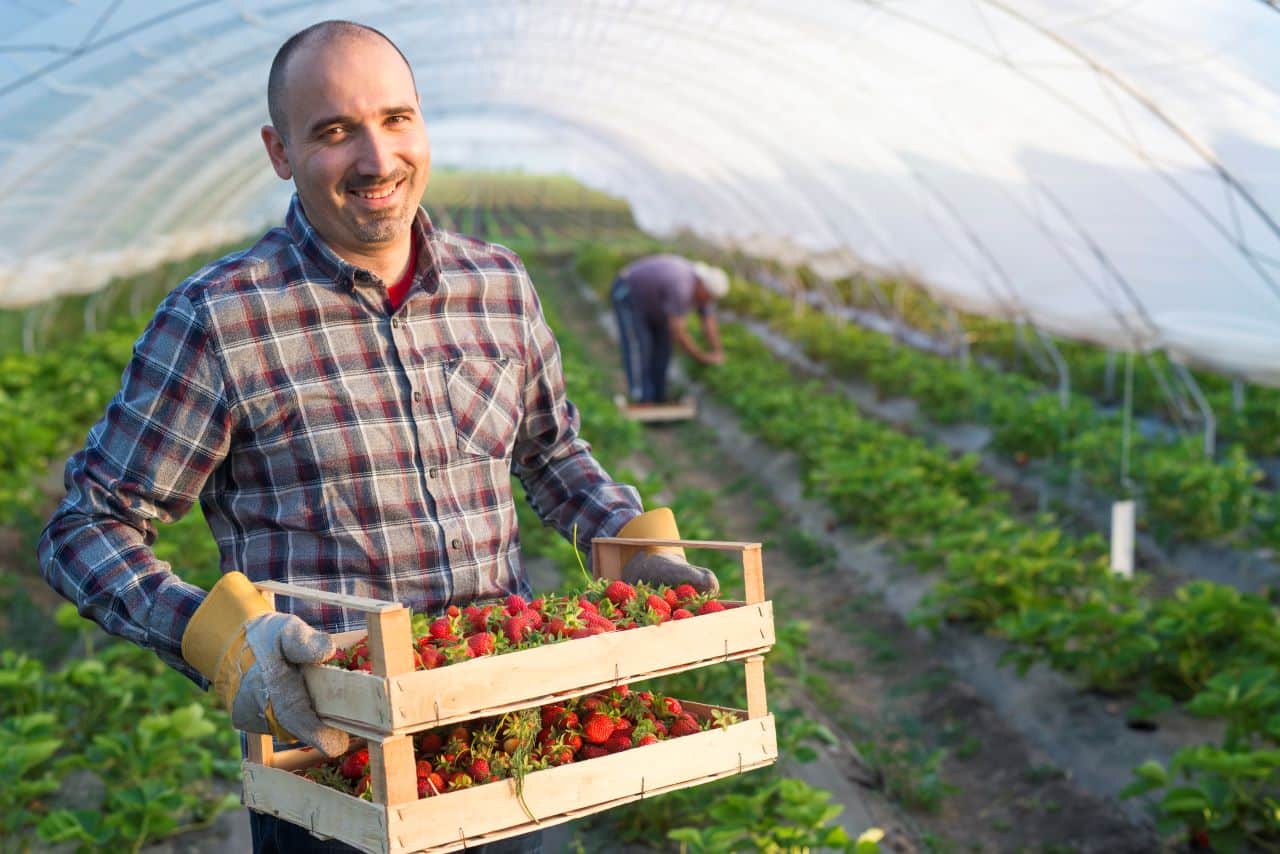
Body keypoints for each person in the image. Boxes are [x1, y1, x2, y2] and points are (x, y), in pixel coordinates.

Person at [37, 20, 716, 854]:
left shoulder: (496, 285)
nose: (376, 157)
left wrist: (627, 538)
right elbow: (88, 525)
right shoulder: (221, 319)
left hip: (504, 742)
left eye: (395, 119)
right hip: (335, 772)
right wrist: (216, 640)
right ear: (279, 152)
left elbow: (549, 452)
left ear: (422, 123)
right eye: (333, 131)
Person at [610, 254, 729, 405]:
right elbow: (678, 332)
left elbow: (708, 321)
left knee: (663, 348)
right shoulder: (681, 286)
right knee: (639, 347)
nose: (708, 301)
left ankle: (658, 396)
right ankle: (642, 398)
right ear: (702, 286)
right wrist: (700, 357)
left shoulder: (703, 293)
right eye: (709, 296)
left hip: (656, 304)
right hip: (629, 293)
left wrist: (717, 351)